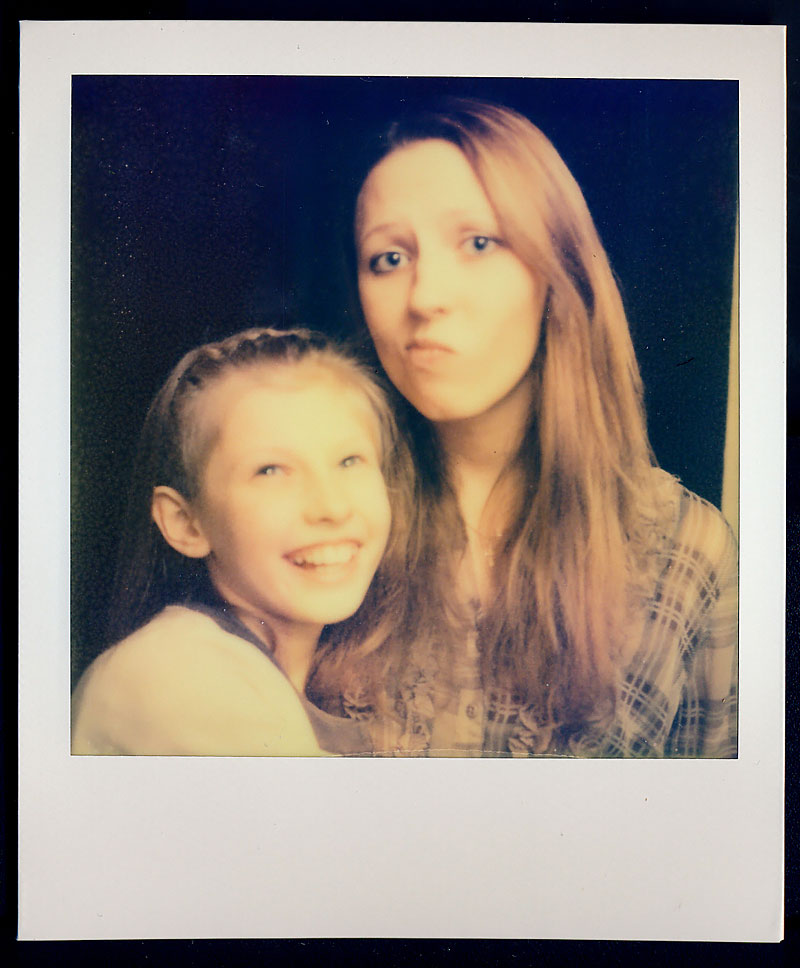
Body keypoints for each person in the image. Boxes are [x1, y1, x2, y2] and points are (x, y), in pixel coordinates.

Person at [323, 97, 738, 757]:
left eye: (478, 243)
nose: (425, 297)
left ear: (558, 272)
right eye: (389, 258)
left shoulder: (685, 553)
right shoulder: (314, 520)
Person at [71, 327, 415, 756]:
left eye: (349, 460)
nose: (332, 506)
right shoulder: (177, 674)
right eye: (270, 470)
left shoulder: (271, 677)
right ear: (186, 523)